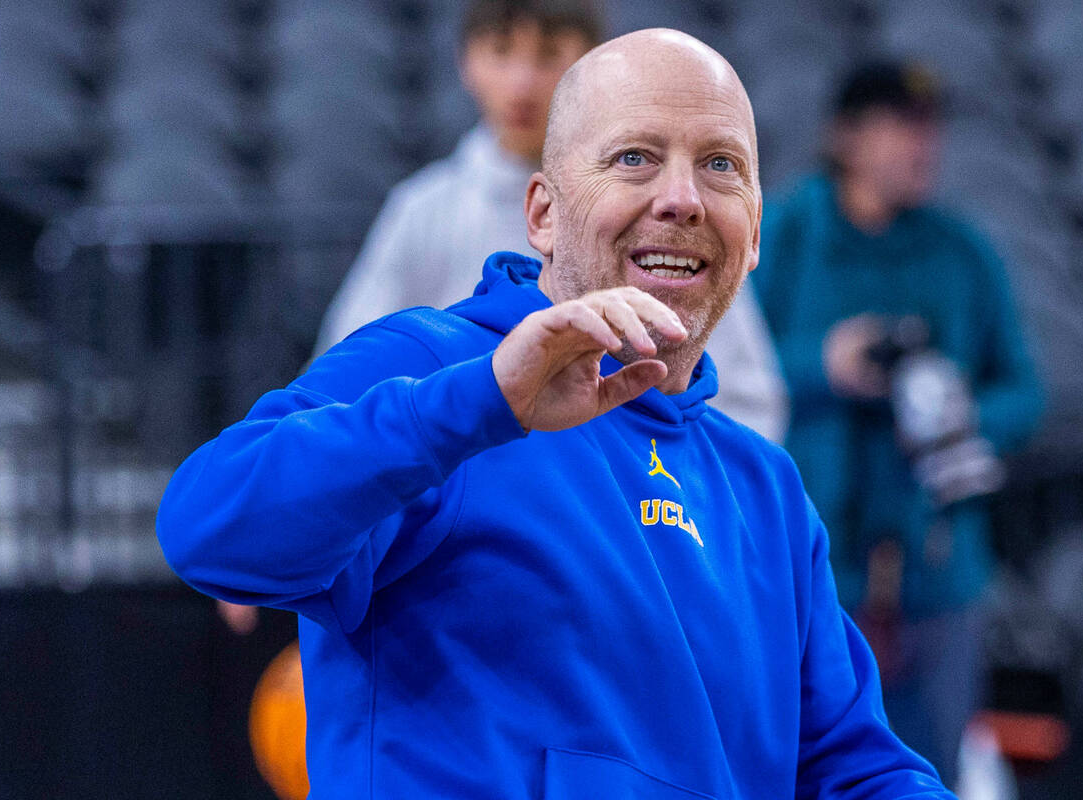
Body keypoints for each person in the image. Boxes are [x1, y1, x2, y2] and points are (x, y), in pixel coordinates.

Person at [158, 30, 953, 798]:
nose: (681, 198)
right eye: (634, 158)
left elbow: (858, 770)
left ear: (751, 242)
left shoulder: (766, 490)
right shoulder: (431, 367)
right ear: (541, 213)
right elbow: (208, 526)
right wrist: (481, 403)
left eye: (721, 166)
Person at [752, 60, 1043, 786]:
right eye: (900, 128)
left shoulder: (962, 250)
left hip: (937, 572)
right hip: (811, 565)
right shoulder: (782, 235)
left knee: (926, 772)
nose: (923, 146)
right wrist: (826, 363)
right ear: (846, 137)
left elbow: (1026, 390)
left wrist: (963, 416)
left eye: (930, 129)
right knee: (794, 768)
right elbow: (722, 372)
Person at [313, 0, 785, 440]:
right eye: (500, 52)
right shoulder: (425, 210)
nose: (522, 83)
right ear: (541, 212)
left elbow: (749, 405)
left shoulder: (682, 229)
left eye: (548, 55)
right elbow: (340, 403)